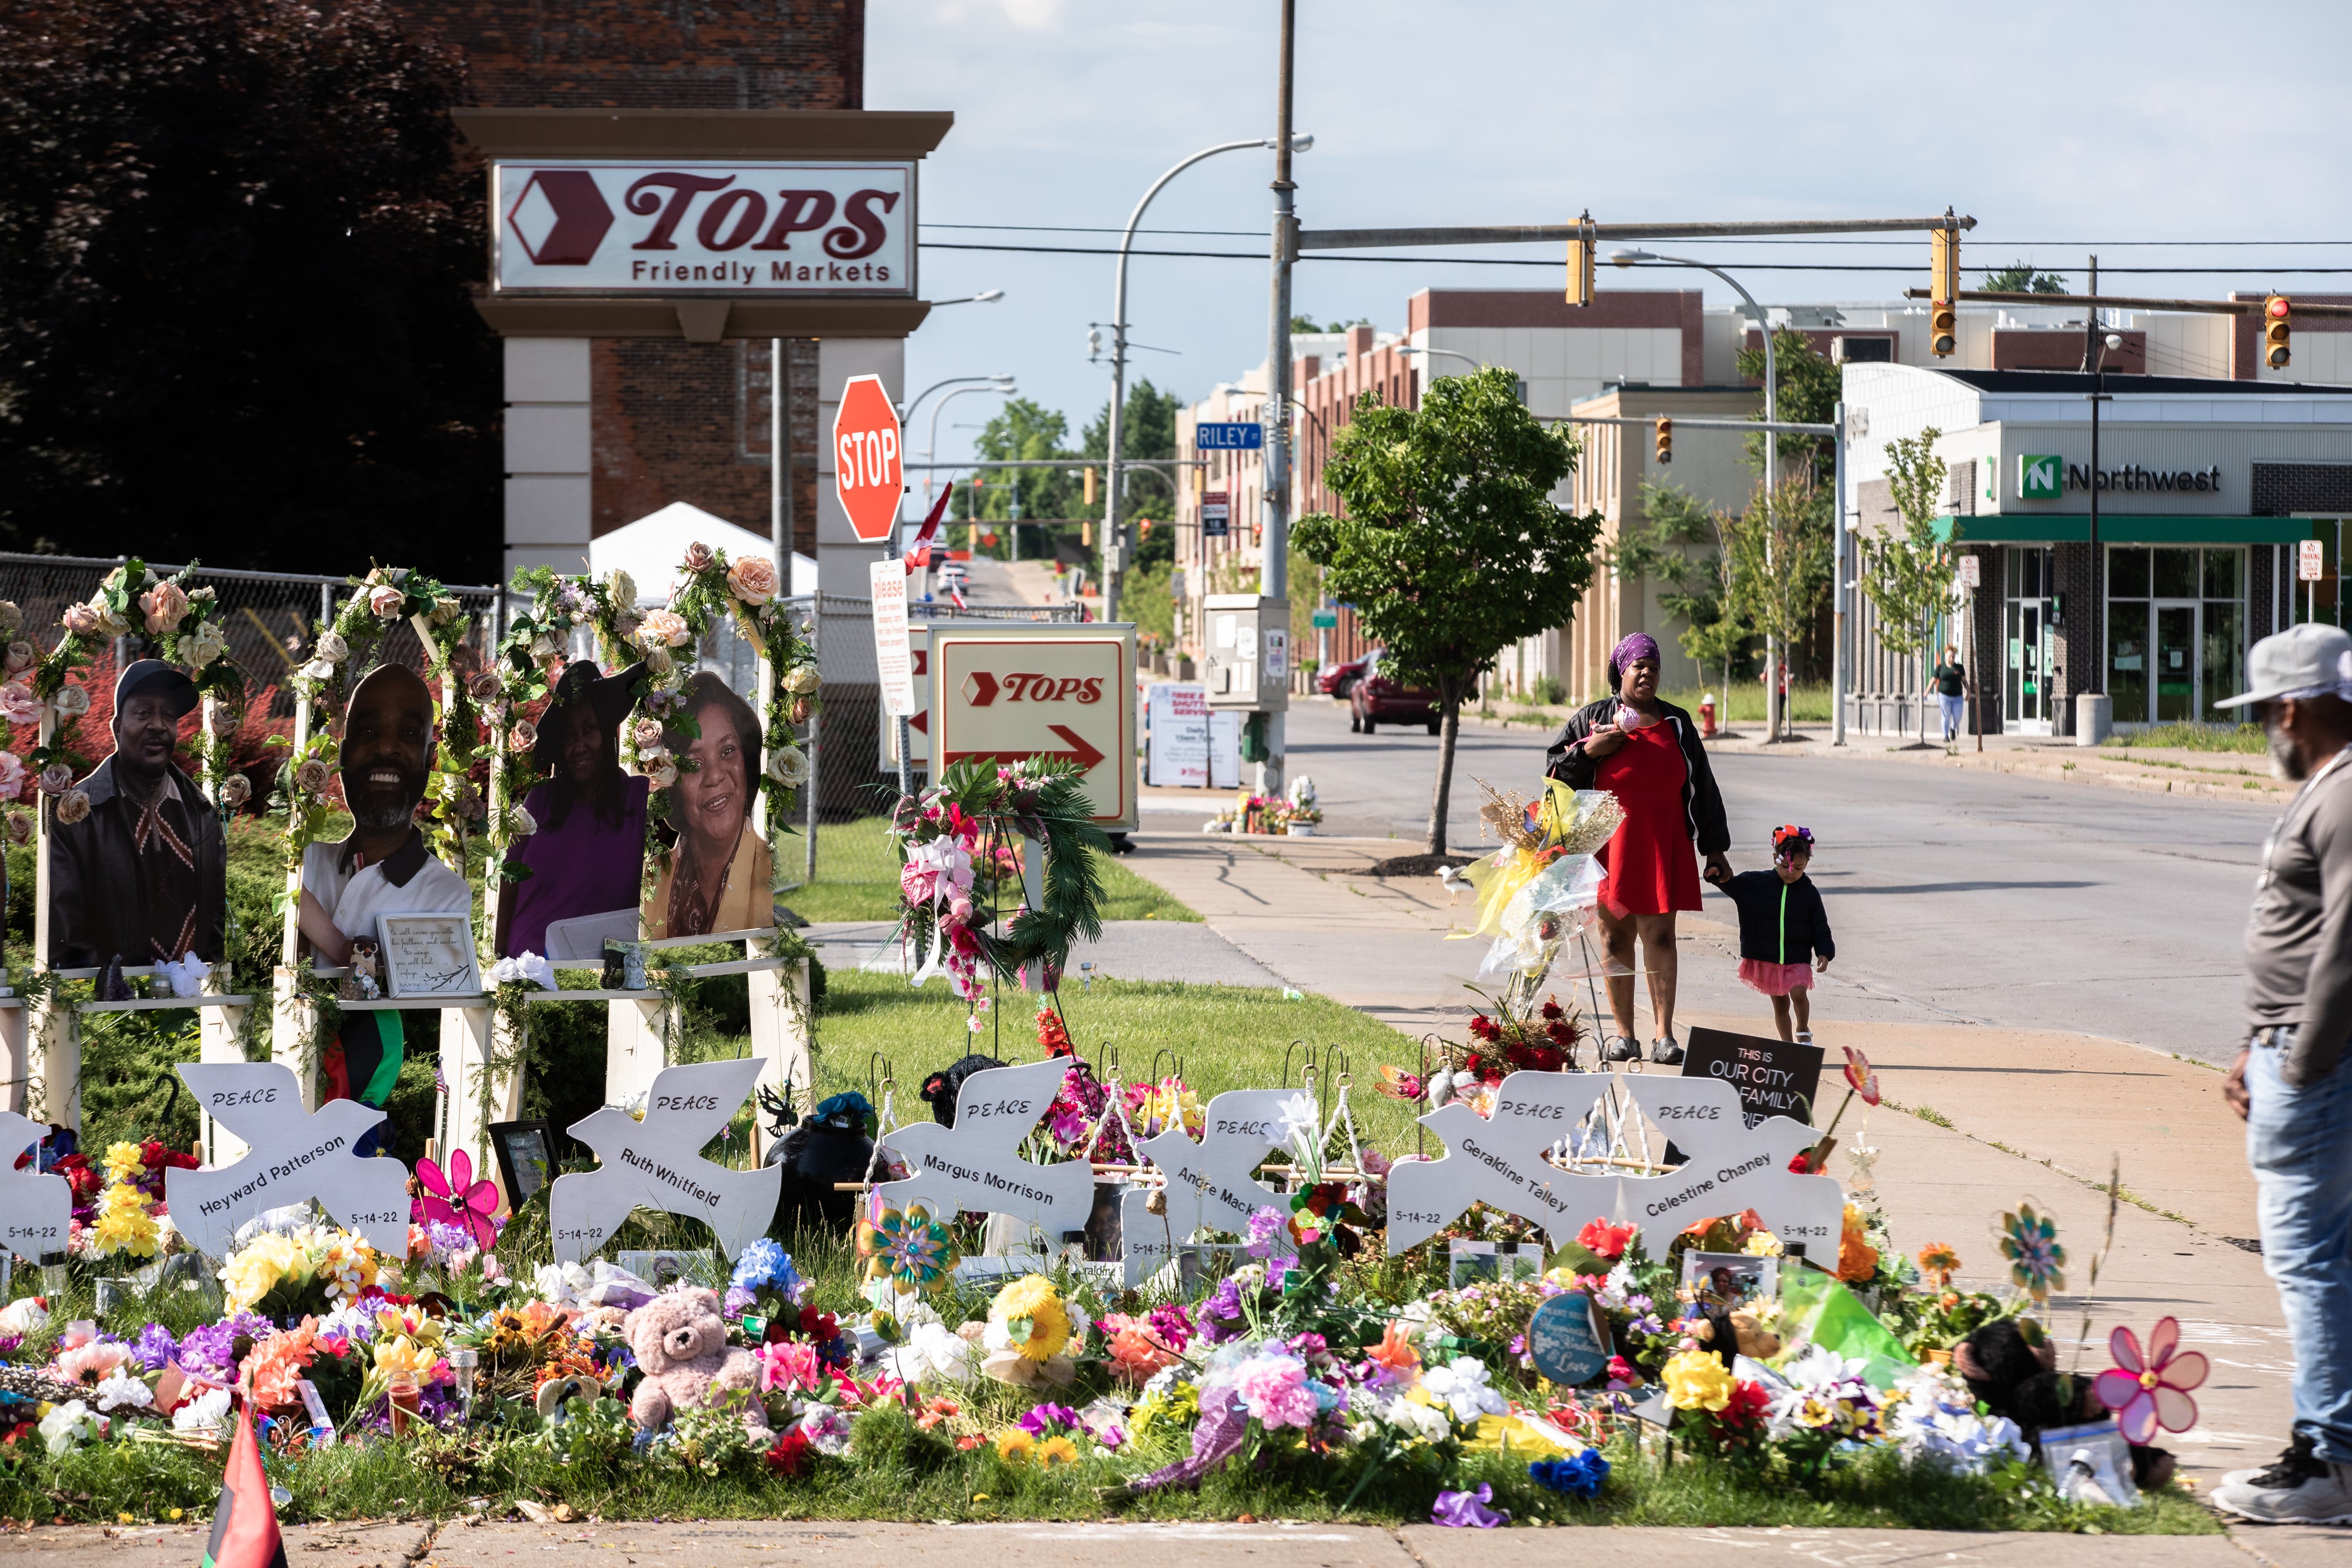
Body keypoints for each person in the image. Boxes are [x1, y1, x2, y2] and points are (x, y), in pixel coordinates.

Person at [2211, 623, 2352, 1524]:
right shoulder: (2333, 787)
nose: (2268, 728)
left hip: (2316, 1059)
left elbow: (2344, 943)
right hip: (2295, 1044)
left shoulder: (2342, 795)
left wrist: (2296, 1061)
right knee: (2328, 1255)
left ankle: (2328, 1462)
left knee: (2308, 1257)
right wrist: (2254, 1042)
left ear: (2294, 706)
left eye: (2267, 710)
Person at [296, 663, 471, 1149]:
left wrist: (327, 936)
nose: (387, 747)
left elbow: (406, 982)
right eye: (368, 731)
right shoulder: (305, 864)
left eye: (409, 733)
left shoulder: (446, 895)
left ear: (431, 757)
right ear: (344, 754)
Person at [1545, 633, 1732, 1065]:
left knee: (1662, 936)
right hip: (1611, 847)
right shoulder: (1593, 719)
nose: (1647, 672)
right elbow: (1555, 772)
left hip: (1664, 842)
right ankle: (1624, 1035)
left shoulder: (1678, 723)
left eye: (1654, 665)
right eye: (1638, 665)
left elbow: (1702, 786)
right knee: (1614, 936)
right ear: (1622, 671)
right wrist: (1590, 750)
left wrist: (1715, 847)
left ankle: (1664, 1035)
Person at [48, 660, 226, 969]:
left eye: (168, 716)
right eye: (143, 713)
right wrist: (110, 995)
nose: (158, 725)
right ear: (117, 727)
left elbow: (213, 923)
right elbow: (68, 928)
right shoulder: (77, 815)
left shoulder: (202, 815)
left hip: (190, 1004)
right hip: (109, 1008)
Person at [495, 659, 650, 959]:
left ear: (608, 733)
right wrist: (498, 959)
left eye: (590, 730)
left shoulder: (637, 800)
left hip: (596, 980)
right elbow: (508, 880)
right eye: (568, 736)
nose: (579, 745)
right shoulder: (539, 801)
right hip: (525, 970)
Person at [643, 671, 774, 940]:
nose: (715, 777)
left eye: (727, 751)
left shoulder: (768, 867)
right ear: (672, 782)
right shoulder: (653, 877)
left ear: (747, 763)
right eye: (694, 764)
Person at [1707, 825, 1835, 1045]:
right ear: (1775, 857)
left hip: (1797, 958)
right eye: (1786, 866)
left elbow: (1820, 925)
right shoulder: (1758, 883)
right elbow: (1734, 887)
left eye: (1799, 868)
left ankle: (1803, 1030)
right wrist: (1717, 876)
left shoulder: (1809, 893)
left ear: (1807, 864)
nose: (1791, 872)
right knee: (1781, 1005)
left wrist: (1824, 952)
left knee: (1798, 994)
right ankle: (1787, 1046)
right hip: (1770, 959)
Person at [1932, 646, 1967, 742]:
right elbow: (1933, 680)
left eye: (1953, 657)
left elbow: (1964, 681)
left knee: (1958, 716)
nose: (1951, 659)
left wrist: (1968, 691)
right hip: (1944, 696)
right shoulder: (1940, 667)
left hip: (1958, 697)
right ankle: (1946, 736)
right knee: (1946, 715)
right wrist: (1927, 692)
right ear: (1946, 656)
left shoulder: (1959, 667)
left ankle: (1953, 728)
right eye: (1950, 656)